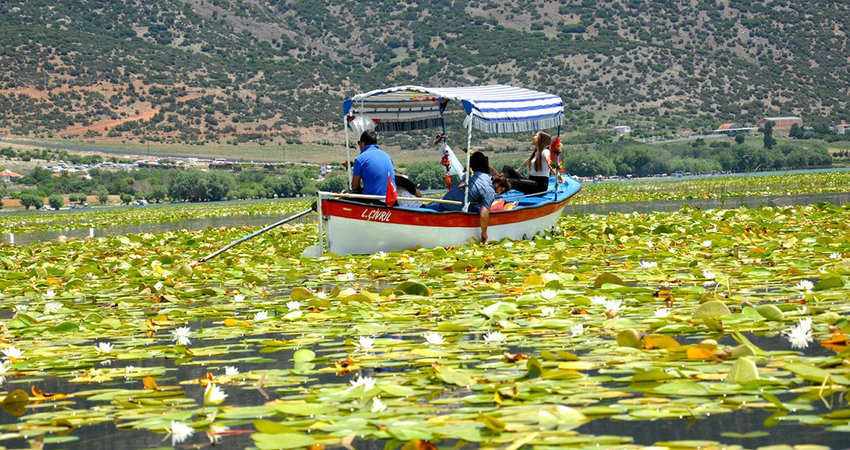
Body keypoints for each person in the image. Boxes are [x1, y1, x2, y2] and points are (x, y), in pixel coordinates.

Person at [424, 151, 508, 243]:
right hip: (454, 213)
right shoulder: (489, 190)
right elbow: (484, 214)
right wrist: (484, 232)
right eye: (501, 190)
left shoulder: (469, 175)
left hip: (444, 204)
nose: (499, 193)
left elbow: (494, 173)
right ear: (498, 184)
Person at [351, 130, 395, 201]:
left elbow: (355, 187)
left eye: (359, 143)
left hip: (373, 201)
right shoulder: (387, 156)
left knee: (346, 194)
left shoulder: (360, 159)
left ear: (362, 144)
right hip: (391, 200)